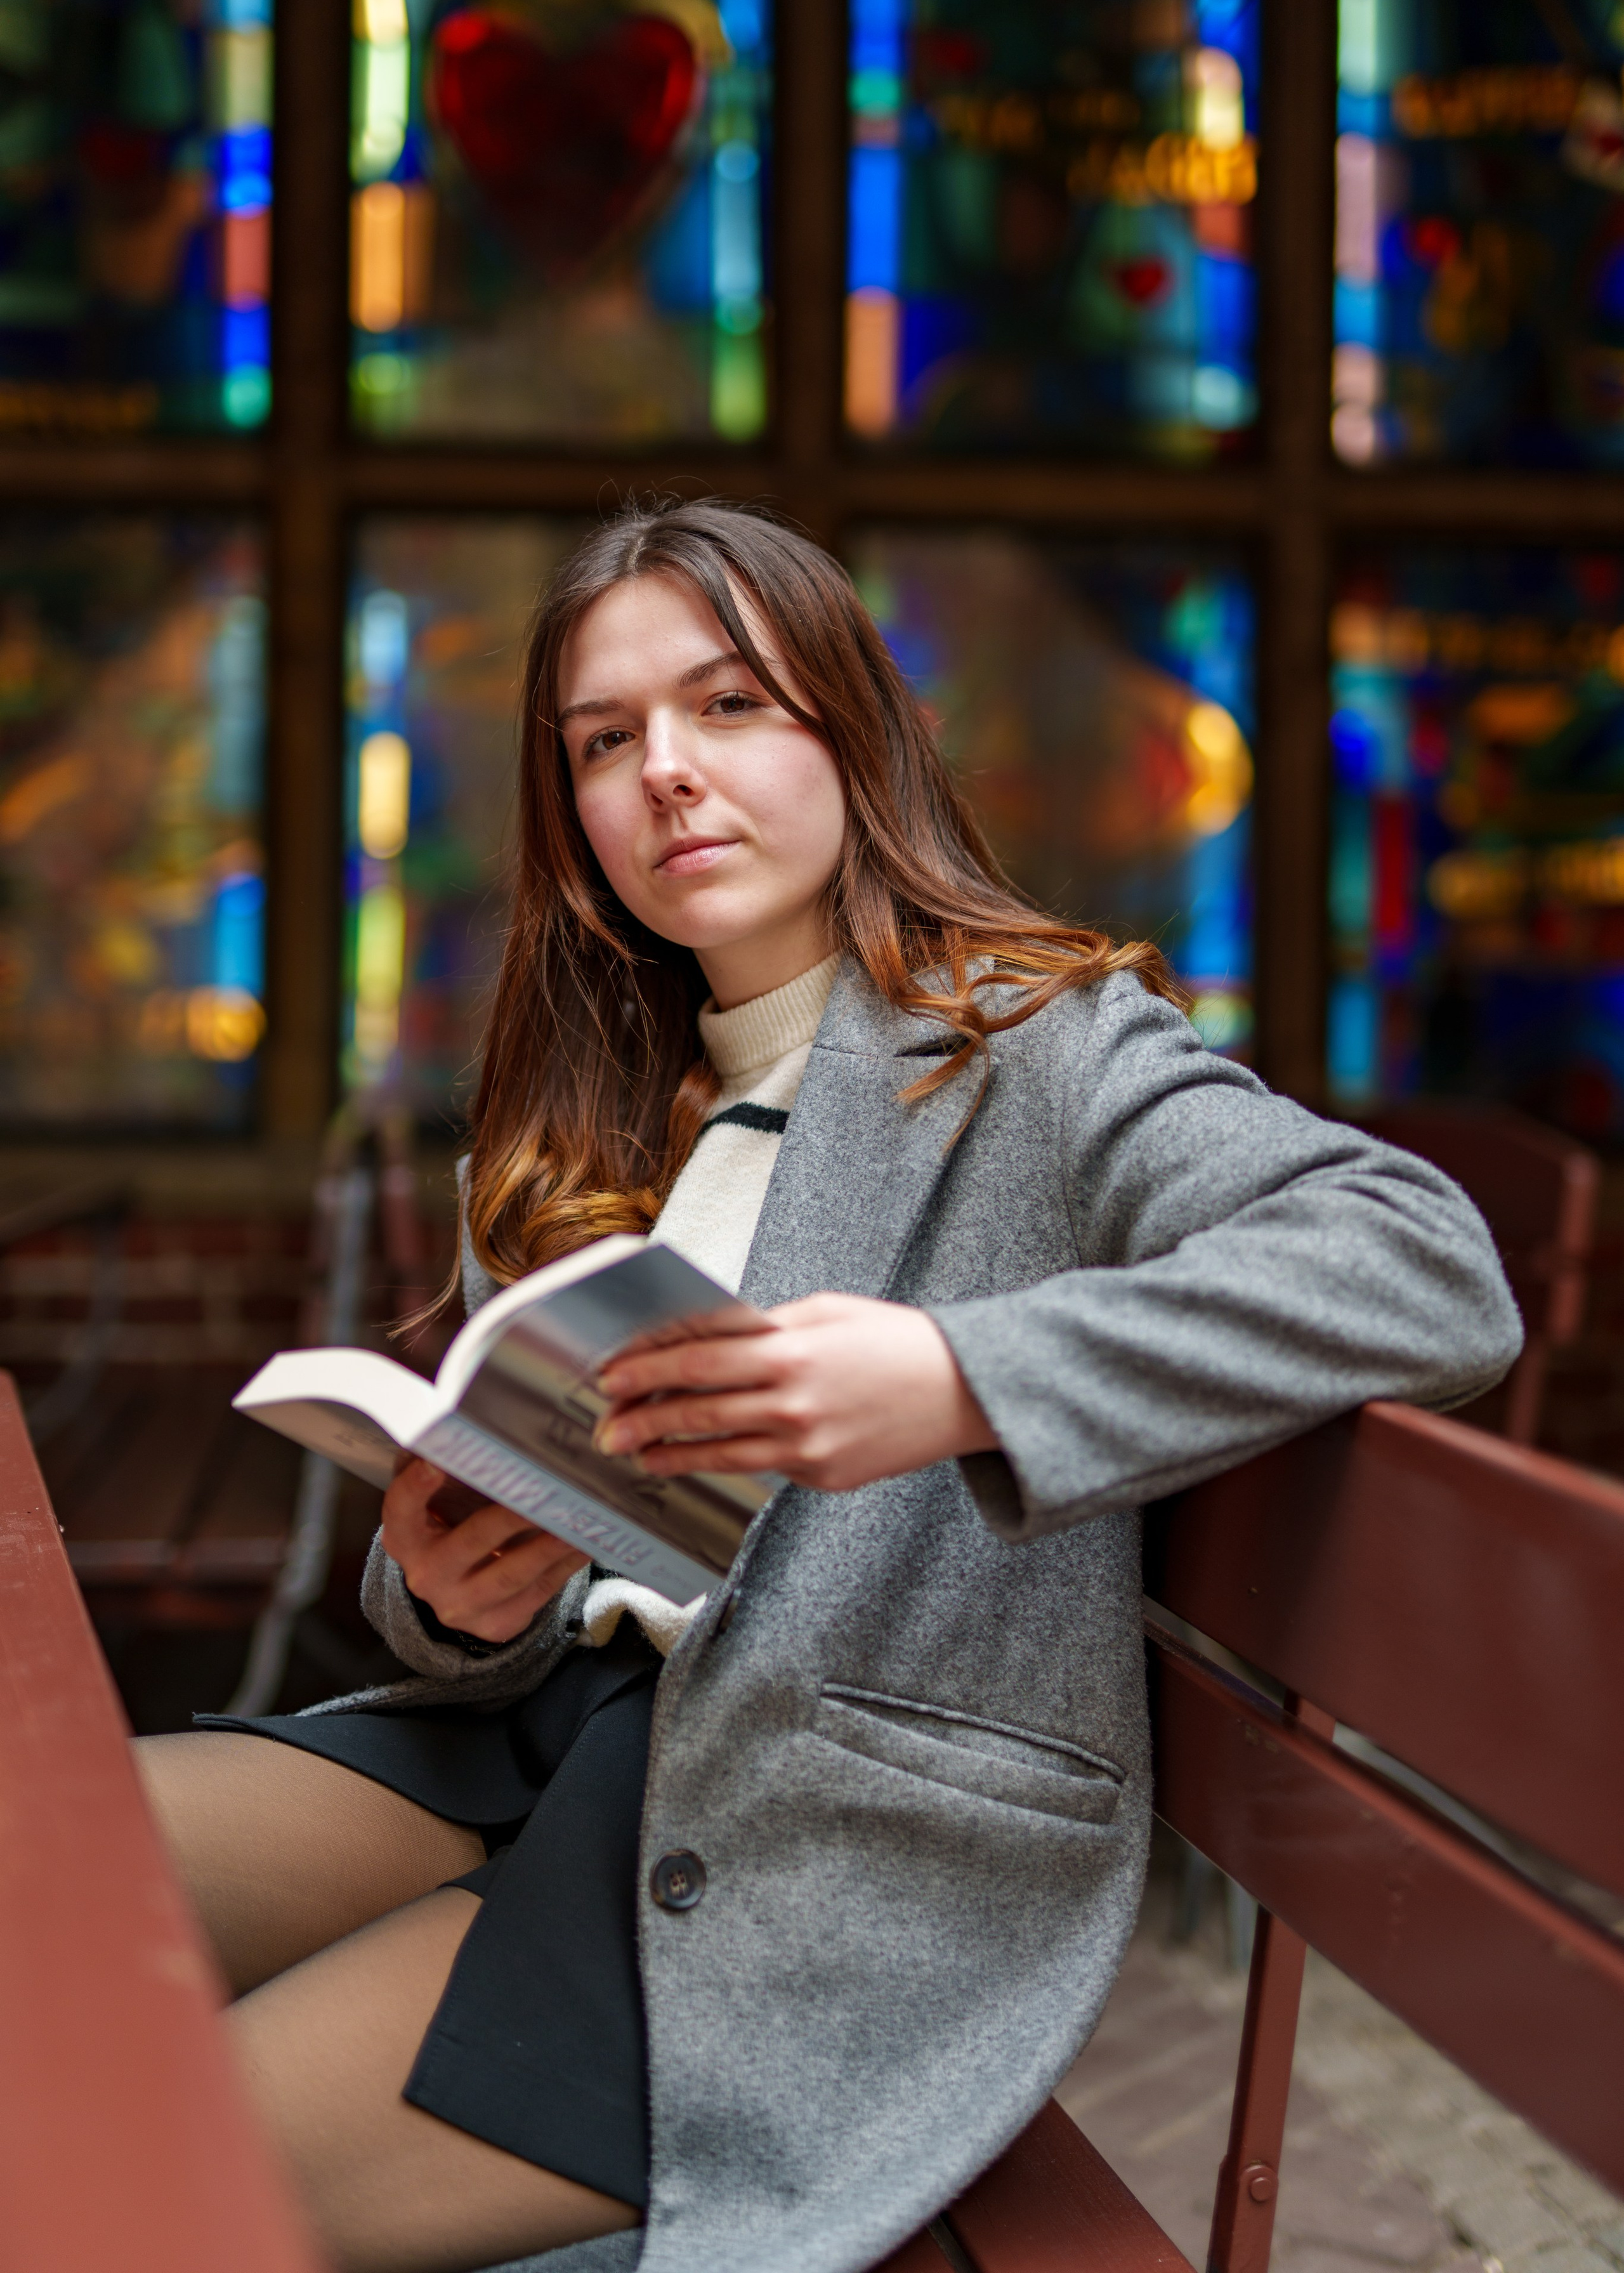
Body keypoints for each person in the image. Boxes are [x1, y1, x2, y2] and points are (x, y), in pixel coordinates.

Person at [136, 499, 1521, 2273]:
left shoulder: (1040, 1049)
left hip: (813, 1844)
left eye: (730, 705)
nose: (666, 772)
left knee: (142, 2169)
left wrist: (959, 1376)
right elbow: (535, 1571)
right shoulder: (585, 1114)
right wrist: (454, 1594)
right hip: (531, 1746)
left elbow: (1422, 1263)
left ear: (857, 737)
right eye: (604, 741)